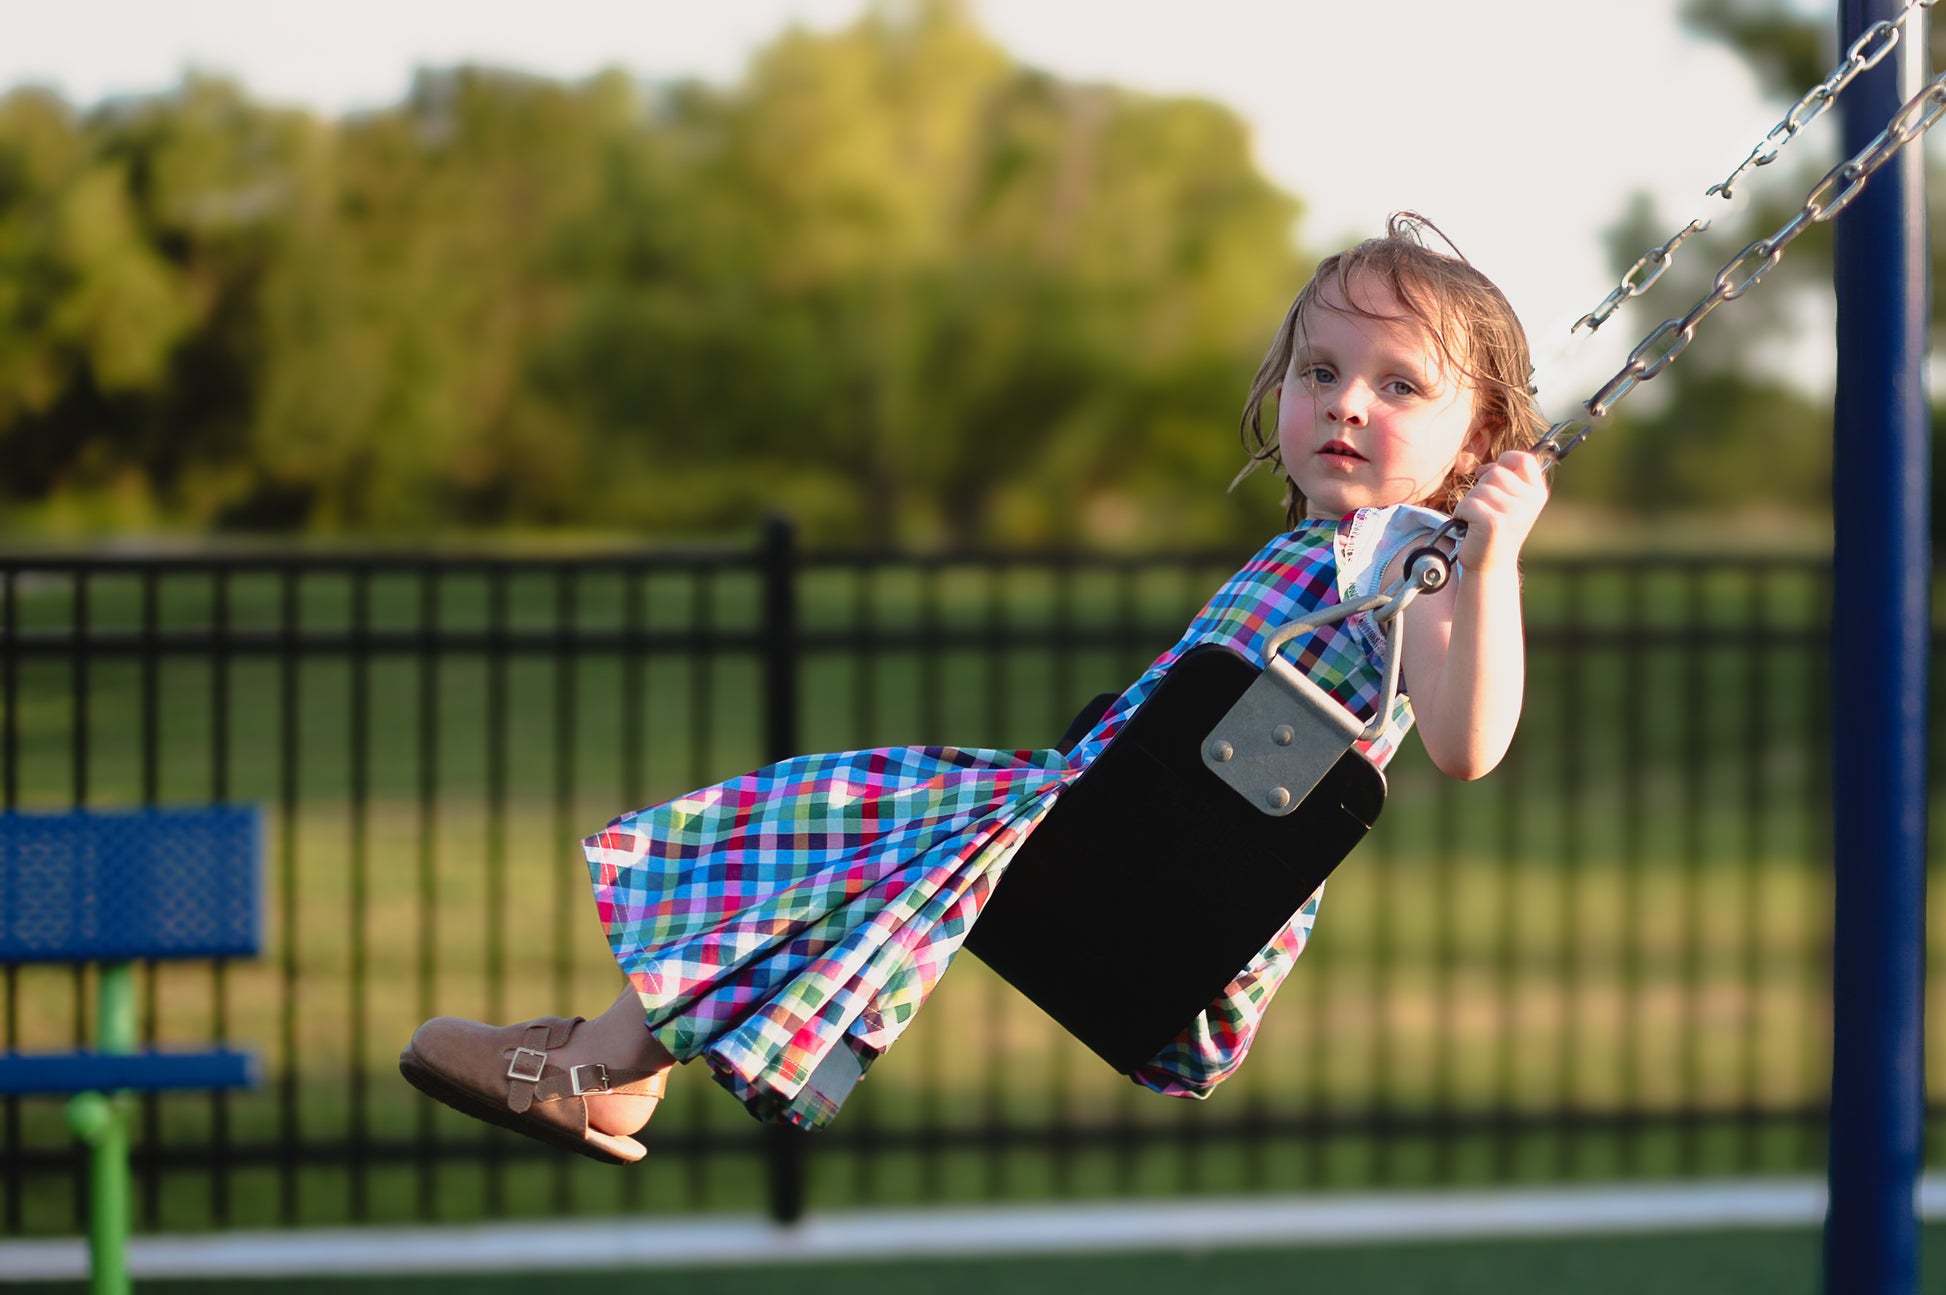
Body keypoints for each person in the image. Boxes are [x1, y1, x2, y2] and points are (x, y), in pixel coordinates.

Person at [399, 212, 1554, 1165]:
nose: (1345, 401)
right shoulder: (1321, 542)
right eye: (1319, 370)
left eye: (1396, 384)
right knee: (835, 837)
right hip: (1094, 816)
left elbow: (1466, 744)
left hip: (1173, 876)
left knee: (846, 822)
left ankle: (596, 1065)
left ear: (1477, 438)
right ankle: (609, 1069)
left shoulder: (1428, 564)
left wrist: (1490, 559)